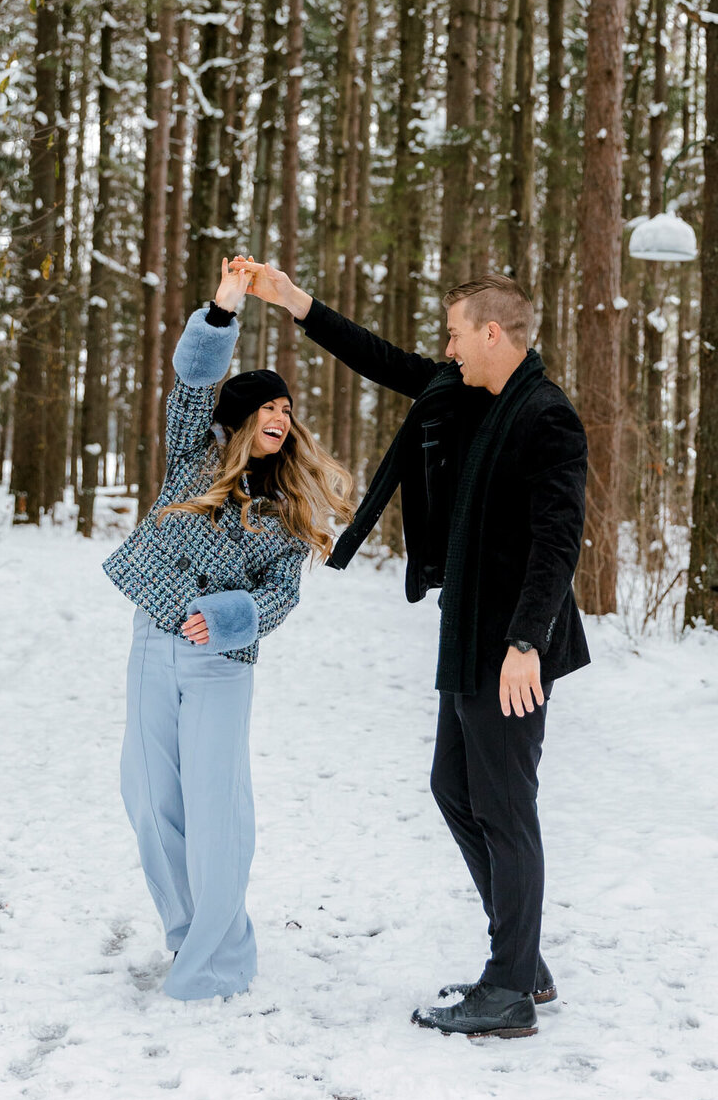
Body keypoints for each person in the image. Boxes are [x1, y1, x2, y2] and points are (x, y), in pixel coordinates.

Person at [239, 258, 589, 1040]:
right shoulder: (471, 394)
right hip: (467, 631)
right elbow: (384, 361)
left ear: (493, 332)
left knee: (504, 806)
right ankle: (521, 960)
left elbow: (558, 541)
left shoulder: (545, 415)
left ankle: (509, 986)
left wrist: (528, 641)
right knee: (454, 789)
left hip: (510, 647)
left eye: (457, 332)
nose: (448, 346)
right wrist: (297, 303)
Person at [103, 258, 354, 1001]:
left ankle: (217, 965)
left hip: (221, 661)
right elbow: (189, 386)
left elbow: (281, 597)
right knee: (150, 803)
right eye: (267, 407)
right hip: (153, 642)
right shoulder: (192, 455)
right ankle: (190, 939)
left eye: (287, 409)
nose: (281, 417)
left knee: (216, 810)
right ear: (238, 419)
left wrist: (225, 617)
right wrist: (223, 307)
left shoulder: (288, 509)